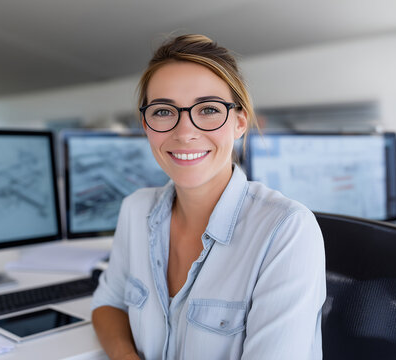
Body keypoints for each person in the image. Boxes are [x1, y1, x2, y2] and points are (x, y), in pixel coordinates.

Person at [91, 34, 326, 360]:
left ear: (240, 122)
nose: (185, 132)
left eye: (209, 109)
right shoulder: (135, 209)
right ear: (145, 124)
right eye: (162, 112)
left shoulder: (286, 230)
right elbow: (108, 303)